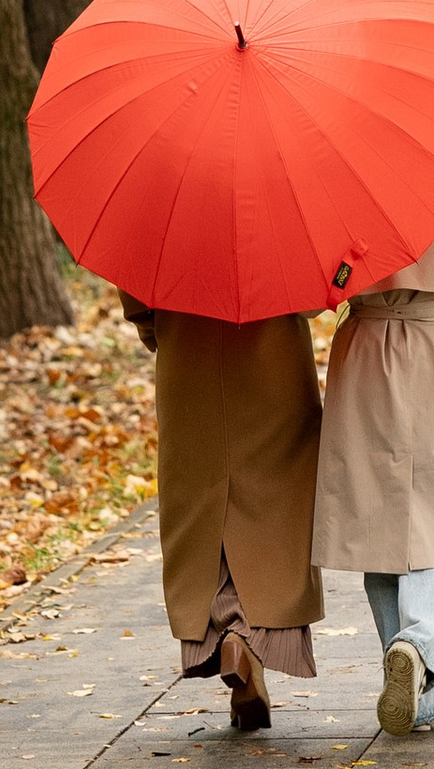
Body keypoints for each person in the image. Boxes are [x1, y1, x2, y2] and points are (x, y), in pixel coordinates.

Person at [311, 190, 434, 737]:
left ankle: (424, 693)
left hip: (364, 356)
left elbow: (313, 299)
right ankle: (416, 642)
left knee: (378, 525)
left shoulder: (338, 205)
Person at [119, 293, 322, 734]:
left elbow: (138, 298)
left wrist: (160, 328)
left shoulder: (164, 220)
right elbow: (311, 297)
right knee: (276, 499)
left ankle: (229, 631)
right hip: (273, 355)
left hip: (186, 351)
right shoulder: (278, 219)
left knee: (200, 502)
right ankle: (246, 637)